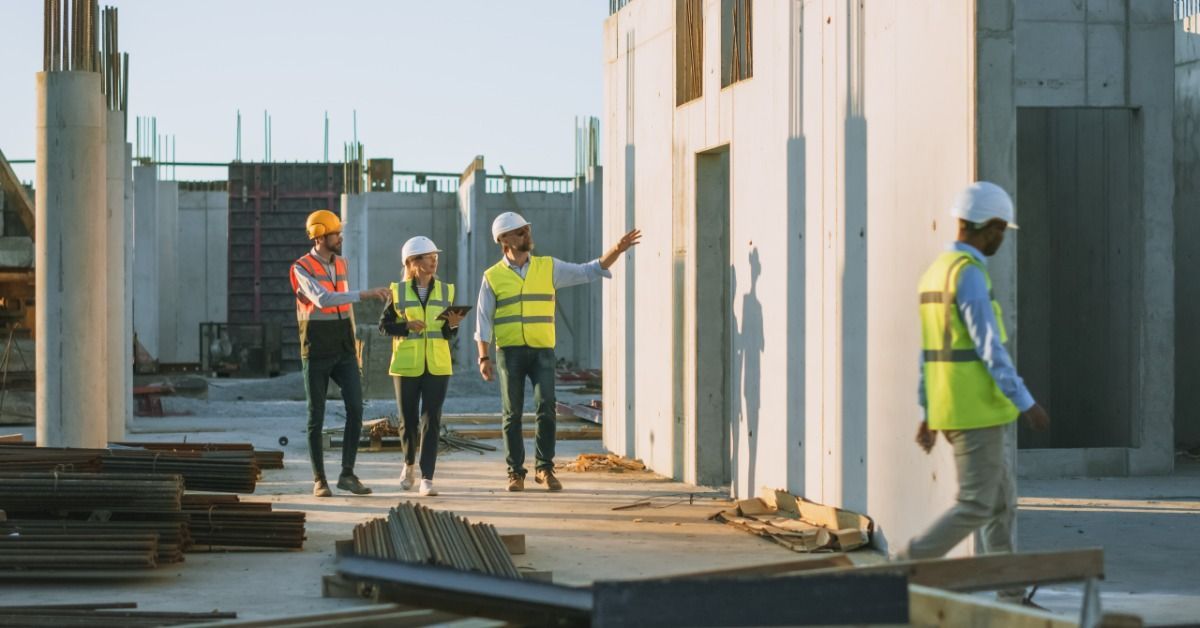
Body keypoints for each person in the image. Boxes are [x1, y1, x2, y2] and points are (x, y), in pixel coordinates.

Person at [907, 182, 1051, 604]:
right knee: (975, 505)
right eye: (1001, 230)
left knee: (1000, 505)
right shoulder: (968, 274)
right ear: (986, 226)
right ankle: (899, 569)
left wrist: (928, 409)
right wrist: (1028, 403)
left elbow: (929, 353)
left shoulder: (937, 271)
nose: (1003, 239)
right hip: (976, 412)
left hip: (965, 408)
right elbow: (989, 347)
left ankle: (1010, 593)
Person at [476, 212, 641, 492]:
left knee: (546, 408)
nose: (526, 235)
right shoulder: (492, 277)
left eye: (527, 230)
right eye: (519, 232)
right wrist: (483, 356)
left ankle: (544, 469)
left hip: (542, 352)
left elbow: (590, 270)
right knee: (512, 414)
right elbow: (483, 319)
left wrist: (617, 249)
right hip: (510, 353)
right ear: (503, 240)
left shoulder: (548, 267)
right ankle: (515, 473)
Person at [289, 209, 391, 497]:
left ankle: (347, 474)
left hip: (345, 349)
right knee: (315, 415)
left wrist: (355, 342)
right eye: (335, 233)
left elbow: (344, 309)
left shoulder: (342, 264)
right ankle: (319, 479)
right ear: (320, 236)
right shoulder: (301, 268)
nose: (340, 237)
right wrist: (365, 294)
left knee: (356, 409)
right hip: (317, 349)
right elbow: (322, 299)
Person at [378, 236, 465, 497]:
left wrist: (453, 323)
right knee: (408, 421)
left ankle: (427, 477)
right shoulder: (399, 292)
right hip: (406, 365)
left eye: (435, 256)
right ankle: (408, 465)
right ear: (413, 263)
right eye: (428, 257)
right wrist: (406, 326)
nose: (434, 260)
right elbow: (384, 326)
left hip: (438, 364)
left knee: (432, 420)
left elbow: (451, 334)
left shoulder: (447, 290)